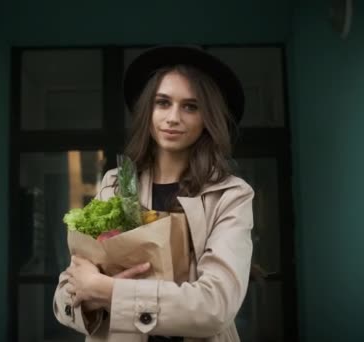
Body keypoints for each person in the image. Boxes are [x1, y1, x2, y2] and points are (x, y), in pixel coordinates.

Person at [53, 45, 254, 342]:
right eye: (163, 103)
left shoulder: (230, 195)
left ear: (207, 117)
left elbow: (215, 307)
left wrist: (106, 291)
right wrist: (90, 298)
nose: (173, 117)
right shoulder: (116, 185)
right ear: (148, 109)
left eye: (191, 106)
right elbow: (66, 295)